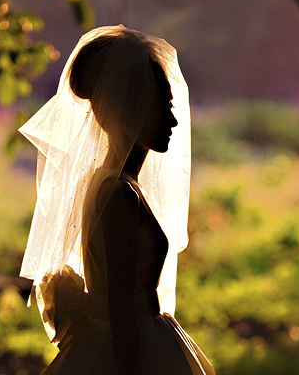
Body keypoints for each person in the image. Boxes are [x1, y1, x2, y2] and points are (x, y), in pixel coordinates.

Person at [19, 25, 215, 375]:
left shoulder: (120, 185)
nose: (172, 120)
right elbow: (122, 307)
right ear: (130, 111)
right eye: (161, 107)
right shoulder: (117, 194)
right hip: (129, 350)